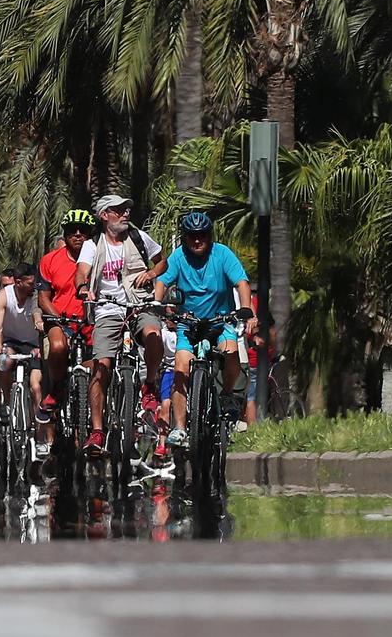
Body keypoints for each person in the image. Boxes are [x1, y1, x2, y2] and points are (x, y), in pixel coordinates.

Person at [74, 193, 168, 457]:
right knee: (101, 366)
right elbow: (81, 271)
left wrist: (151, 273)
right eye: (119, 210)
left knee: (153, 334)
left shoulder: (138, 237)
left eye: (127, 209)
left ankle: (149, 384)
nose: (126, 213)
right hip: (107, 308)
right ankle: (97, 431)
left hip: (139, 304)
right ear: (105, 216)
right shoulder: (93, 244)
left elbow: (162, 259)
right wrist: (83, 289)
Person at [153, 210, 254, 447]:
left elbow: (241, 283)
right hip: (189, 324)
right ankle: (179, 428)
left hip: (221, 322)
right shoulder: (178, 257)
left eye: (202, 235)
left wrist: (247, 309)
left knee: (231, 354)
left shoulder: (222, 254)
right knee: (180, 368)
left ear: (209, 236)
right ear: (185, 237)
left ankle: (227, 395)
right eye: (191, 236)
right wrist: (158, 304)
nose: (197, 240)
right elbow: (162, 281)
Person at [36, 209, 93, 440]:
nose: (78, 235)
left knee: (101, 362)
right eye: (72, 231)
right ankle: (58, 388)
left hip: (92, 320)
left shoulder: (98, 257)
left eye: (83, 231)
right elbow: (43, 297)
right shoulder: (50, 260)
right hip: (61, 319)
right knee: (58, 347)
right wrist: (57, 317)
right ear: (65, 234)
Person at [0, 261, 45, 419]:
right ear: (19, 282)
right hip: (11, 341)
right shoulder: (5, 295)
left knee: (36, 385)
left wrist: (41, 346)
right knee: (3, 362)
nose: (34, 286)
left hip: (34, 344)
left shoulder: (37, 296)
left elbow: (42, 323)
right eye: (31, 283)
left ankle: (40, 428)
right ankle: (7, 400)